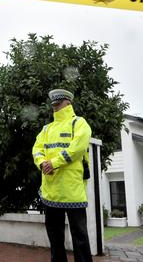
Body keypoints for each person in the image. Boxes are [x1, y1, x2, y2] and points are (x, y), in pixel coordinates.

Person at [32, 89, 92, 262]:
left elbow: (77, 147)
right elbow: (37, 149)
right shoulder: (46, 129)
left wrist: (54, 162)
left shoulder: (79, 123)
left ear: (68, 103)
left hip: (73, 191)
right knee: (55, 237)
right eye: (53, 104)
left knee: (80, 237)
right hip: (51, 190)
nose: (55, 106)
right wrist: (42, 163)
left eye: (58, 103)